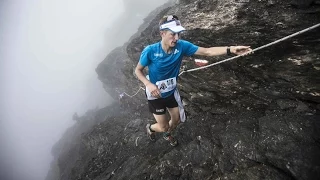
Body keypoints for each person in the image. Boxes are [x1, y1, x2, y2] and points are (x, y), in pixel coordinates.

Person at [134, 15, 252, 146]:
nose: (177, 38)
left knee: (176, 120)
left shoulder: (181, 46)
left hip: (171, 92)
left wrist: (232, 49)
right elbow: (138, 70)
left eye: (178, 34)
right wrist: (148, 84)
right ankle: (150, 128)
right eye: (173, 34)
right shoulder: (150, 51)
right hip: (155, 95)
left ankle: (168, 134)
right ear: (162, 33)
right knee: (163, 126)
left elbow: (207, 52)